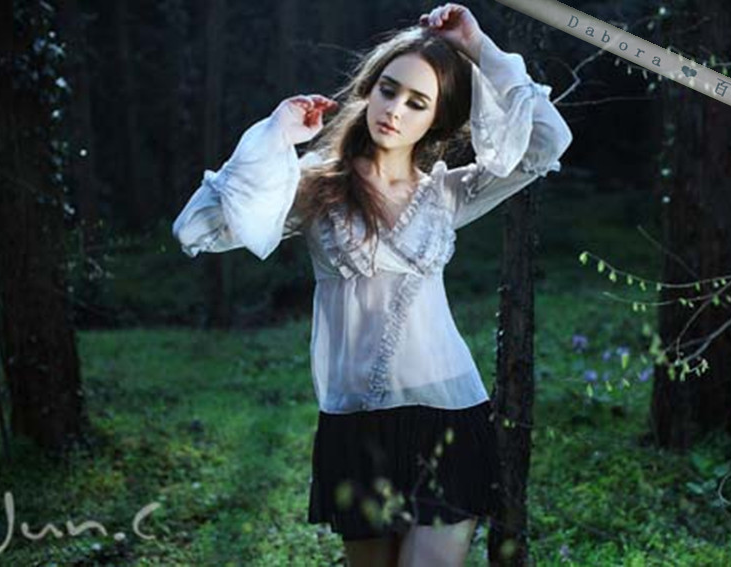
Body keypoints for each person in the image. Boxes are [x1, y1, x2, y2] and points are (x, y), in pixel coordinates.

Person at [172, 3, 573, 565]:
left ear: (436, 121)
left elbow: (547, 143)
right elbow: (196, 228)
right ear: (369, 90)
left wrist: (479, 47)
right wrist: (275, 137)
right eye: (389, 90)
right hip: (354, 424)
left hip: (448, 412)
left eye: (417, 103)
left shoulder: (448, 194)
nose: (395, 110)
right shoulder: (314, 187)